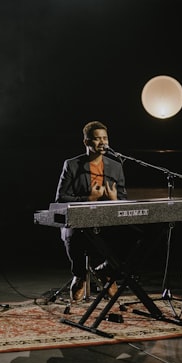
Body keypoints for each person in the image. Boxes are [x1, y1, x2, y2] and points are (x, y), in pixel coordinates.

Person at [54, 120, 127, 301]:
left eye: (105, 138)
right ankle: (79, 274)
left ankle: (106, 271)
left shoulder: (116, 166)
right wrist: (89, 199)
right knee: (73, 232)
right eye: (97, 139)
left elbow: (124, 200)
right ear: (86, 142)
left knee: (132, 235)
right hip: (79, 220)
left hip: (106, 220)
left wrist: (114, 200)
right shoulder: (72, 165)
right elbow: (61, 198)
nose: (102, 142)